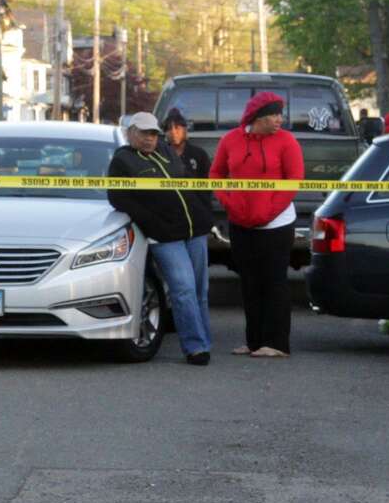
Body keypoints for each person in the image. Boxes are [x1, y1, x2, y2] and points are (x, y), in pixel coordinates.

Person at [108, 112, 215, 366]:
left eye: (153, 133)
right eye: (144, 133)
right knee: (183, 290)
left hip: (195, 230)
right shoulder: (123, 160)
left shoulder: (167, 151)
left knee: (200, 290)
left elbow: (190, 183)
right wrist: (153, 225)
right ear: (130, 133)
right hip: (166, 237)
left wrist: (204, 214)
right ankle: (195, 347)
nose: (149, 139)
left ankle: (204, 341)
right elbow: (118, 198)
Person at [210, 91, 304, 358]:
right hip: (241, 223)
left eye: (280, 115)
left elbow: (295, 179)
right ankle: (253, 342)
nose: (279, 120)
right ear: (257, 117)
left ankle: (276, 343)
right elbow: (216, 173)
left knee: (274, 282)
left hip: (277, 224)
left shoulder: (287, 141)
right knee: (250, 283)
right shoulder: (231, 140)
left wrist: (270, 211)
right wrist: (229, 201)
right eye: (273, 115)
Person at [161, 108, 211, 179]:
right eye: (169, 129)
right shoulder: (160, 154)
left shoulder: (199, 154)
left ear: (185, 130)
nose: (173, 132)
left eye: (177, 128)